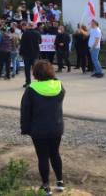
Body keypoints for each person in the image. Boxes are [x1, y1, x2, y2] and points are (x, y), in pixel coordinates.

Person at [20, 61, 66, 195]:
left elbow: (26, 111)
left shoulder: (32, 89)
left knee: (43, 157)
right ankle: (60, 182)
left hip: (38, 129)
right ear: (51, 72)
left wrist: (24, 129)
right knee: (55, 154)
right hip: (56, 128)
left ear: (35, 73)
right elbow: (55, 81)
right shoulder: (59, 86)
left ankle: (46, 186)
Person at [20, 22, 41, 87]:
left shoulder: (25, 33)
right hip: (35, 53)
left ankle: (28, 82)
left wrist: (21, 52)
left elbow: (22, 44)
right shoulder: (37, 33)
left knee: (27, 69)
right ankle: (39, 81)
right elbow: (40, 41)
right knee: (36, 69)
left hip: (27, 53)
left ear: (28, 26)